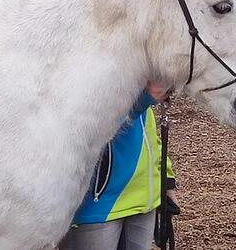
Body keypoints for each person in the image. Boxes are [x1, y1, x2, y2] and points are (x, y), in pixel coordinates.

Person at [59, 83, 177, 250]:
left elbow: (148, 134)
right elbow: (81, 127)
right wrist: (144, 100)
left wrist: (165, 179)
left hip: (143, 200)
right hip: (96, 205)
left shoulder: (136, 75)